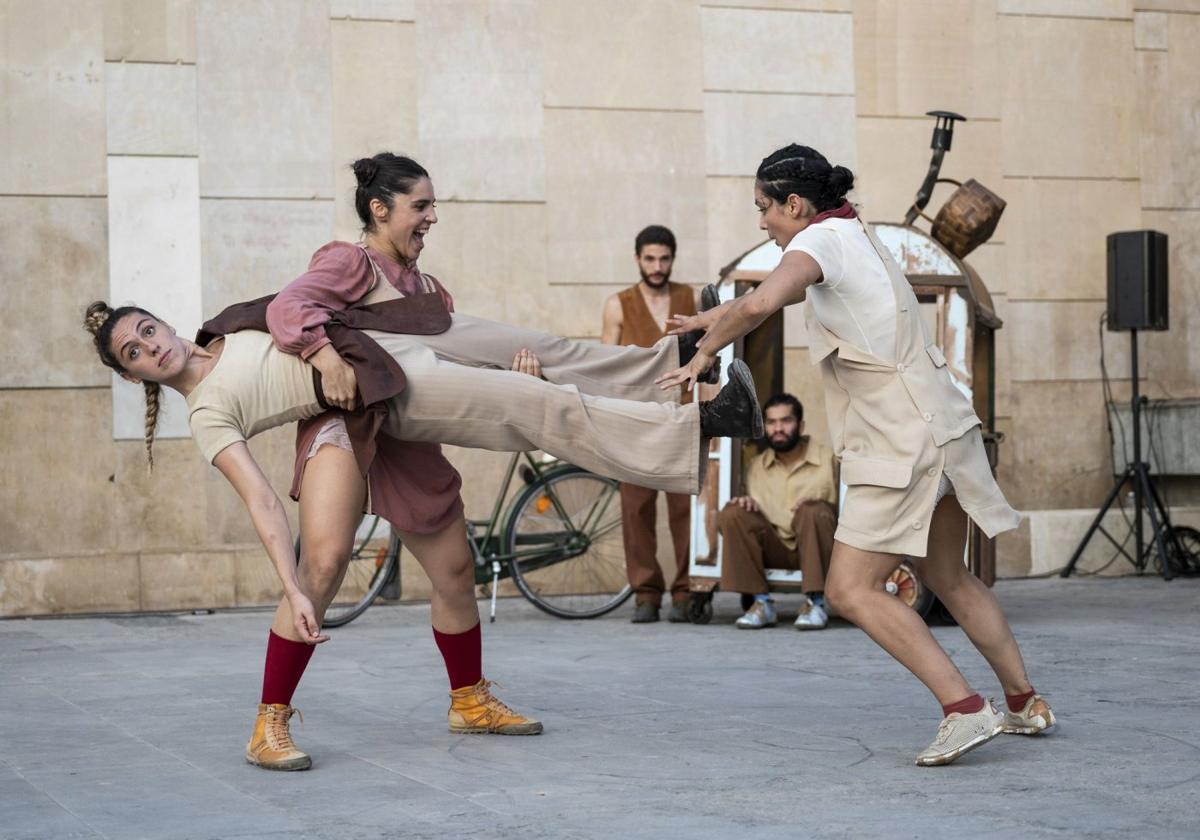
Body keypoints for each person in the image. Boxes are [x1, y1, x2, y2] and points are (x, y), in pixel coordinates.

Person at [658, 144, 1054, 767]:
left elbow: (763, 302)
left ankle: (964, 708)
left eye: (764, 208)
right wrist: (712, 317)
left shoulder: (817, 243)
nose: (762, 221)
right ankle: (1025, 703)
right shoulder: (852, 229)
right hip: (941, 429)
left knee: (849, 589)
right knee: (948, 576)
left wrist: (707, 350)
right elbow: (759, 297)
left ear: (794, 203)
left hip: (902, 443)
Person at [601, 225, 705, 624]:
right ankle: (646, 594)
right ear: (637, 259)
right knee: (636, 509)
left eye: (664, 259)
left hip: (680, 417)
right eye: (650, 259)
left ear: (672, 258)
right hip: (635, 420)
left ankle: (684, 592)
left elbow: (708, 356)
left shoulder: (690, 297)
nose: (657, 266)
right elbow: (607, 364)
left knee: (683, 509)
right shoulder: (618, 304)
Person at [717, 393, 837, 630]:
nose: (778, 428)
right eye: (771, 422)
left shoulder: (829, 459)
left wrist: (818, 505)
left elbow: (846, 510)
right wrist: (746, 504)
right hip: (775, 548)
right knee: (733, 512)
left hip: (822, 549)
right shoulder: (755, 467)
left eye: (786, 421)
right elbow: (748, 519)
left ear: (800, 425)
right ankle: (761, 603)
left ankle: (816, 603)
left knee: (812, 510)